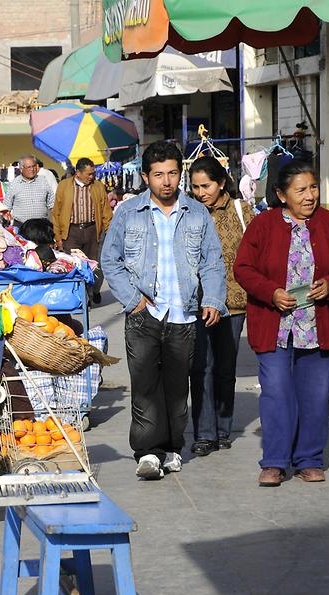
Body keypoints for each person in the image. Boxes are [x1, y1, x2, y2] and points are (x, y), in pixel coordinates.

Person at [101, 141, 227, 481]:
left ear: (179, 174)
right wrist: (133, 299)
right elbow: (109, 260)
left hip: (184, 315)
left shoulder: (197, 213)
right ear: (146, 177)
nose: (166, 181)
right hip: (143, 315)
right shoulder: (128, 213)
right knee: (144, 386)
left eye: (172, 173)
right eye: (158, 175)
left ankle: (172, 448)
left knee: (176, 388)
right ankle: (147, 451)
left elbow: (212, 262)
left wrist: (213, 299)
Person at [234, 162, 329, 487]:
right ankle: (275, 461)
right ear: (281, 194)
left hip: (317, 326)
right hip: (273, 326)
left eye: (313, 188)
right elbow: (243, 268)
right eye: (301, 190)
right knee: (276, 393)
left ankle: (309, 458)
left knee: (315, 395)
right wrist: (270, 292)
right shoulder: (263, 225)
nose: (310, 196)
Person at [187, 156, 254, 456]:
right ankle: (204, 433)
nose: (201, 192)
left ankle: (223, 430)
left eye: (207, 186)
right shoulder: (187, 213)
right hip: (195, 304)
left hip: (234, 304)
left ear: (222, 183)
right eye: (195, 186)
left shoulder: (243, 211)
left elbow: (255, 254)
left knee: (225, 369)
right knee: (200, 368)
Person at [52, 157, 112, 304]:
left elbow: (106, 212)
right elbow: (57, 213)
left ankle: (93, 291)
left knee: (94, 265)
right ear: (78, 173)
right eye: (89, 174)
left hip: (92, 231)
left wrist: (110, 232)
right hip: (71, 232)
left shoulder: (98, 186)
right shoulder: (64, 186)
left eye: (93, 173)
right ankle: (83, 298)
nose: (92, 177)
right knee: (76, 266)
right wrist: (58, 237)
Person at [2, 155, 55, 226]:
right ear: (21, 169)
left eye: (34, 166)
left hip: (41, 227)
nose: (32, 169)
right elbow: (6, 207)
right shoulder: (14, 184)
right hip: (21, 226)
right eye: (29, 167)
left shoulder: (43, 181)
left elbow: (52, 204)